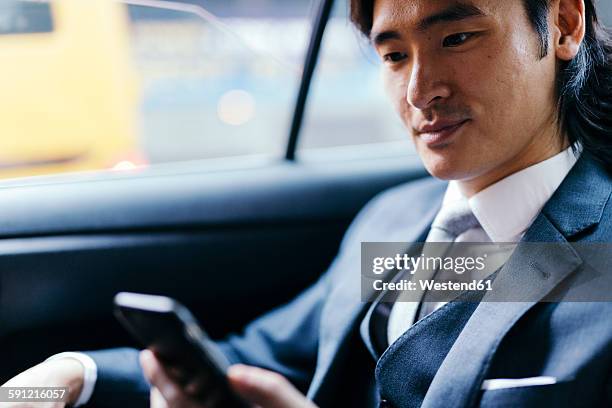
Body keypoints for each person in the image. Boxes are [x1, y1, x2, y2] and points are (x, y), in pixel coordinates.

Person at [3, 0, 612, 406]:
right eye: (394, 55)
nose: (421, 91)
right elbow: (256, 359)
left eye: (456, 37)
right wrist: (73, 377)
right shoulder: (393, 221)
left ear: (561, 23)